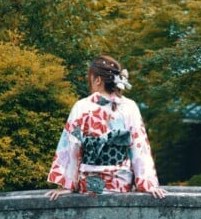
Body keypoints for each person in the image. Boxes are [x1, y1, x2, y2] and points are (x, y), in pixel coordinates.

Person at [46, 55, 167, 200]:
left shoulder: (82, 106)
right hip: (121, 182)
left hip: (90, 182)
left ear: (97, 80)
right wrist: (147, 184)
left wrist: (67, 184)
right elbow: (139, 146)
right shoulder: (130, 106)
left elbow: (72, 145)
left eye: (90, 79)